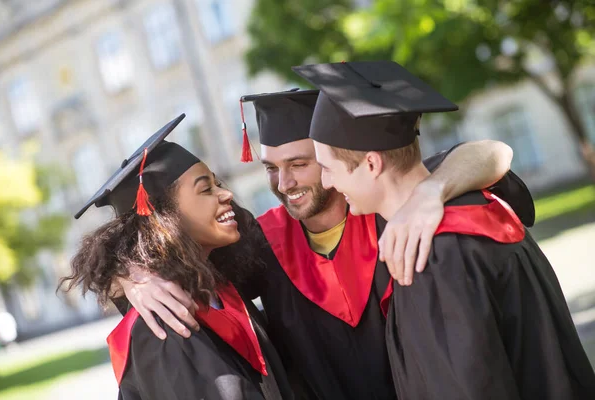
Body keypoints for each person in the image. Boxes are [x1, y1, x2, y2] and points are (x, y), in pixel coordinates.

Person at [114, 89, 536, 399]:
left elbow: (492, 152)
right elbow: (178, 255)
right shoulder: (262, 244)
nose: (285, 183)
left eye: (299, 164)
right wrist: (134, 275)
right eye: (272, 168)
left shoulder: (395, 208)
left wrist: (433, 191)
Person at [295, 60, 595, 399]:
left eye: (328, 168)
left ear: (371, 163)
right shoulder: (479, 201)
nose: (326, 182)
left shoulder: (427, 256)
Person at [60, 115, 293, 400]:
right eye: (206, 189)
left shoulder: (221, 286)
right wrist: (128, 274)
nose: (227, 194)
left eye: (217, 183)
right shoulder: (163, 326)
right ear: (164, 218)